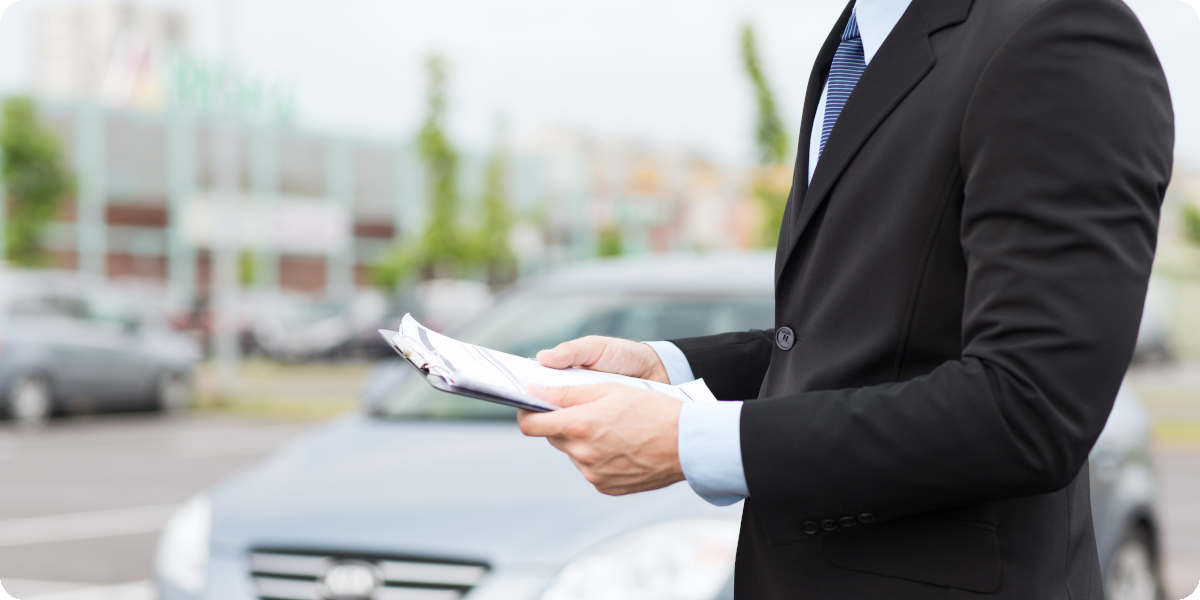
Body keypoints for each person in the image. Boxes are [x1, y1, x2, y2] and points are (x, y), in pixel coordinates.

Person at [517, 0, 1175, 597]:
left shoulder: (1059, 35)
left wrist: (691, 441)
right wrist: (671, 370)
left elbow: (1029, 408)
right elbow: (861, 338)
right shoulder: (855, 43)